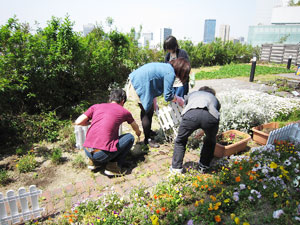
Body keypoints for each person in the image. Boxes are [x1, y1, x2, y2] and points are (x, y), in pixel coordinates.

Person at [74, 89, 141, 176]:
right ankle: (113, 167)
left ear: (110, 99)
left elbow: (78, 122)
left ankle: (93, 162)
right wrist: (138, 132)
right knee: (130, 137)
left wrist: (91, 122)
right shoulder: (124, 111)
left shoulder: (96, 106)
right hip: (101, 154)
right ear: (123, 101)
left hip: (87, 151)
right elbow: (135, 126)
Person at [127, 57, 191, 148]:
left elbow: (154, 82)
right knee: (147, 112)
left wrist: (154, 101)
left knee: (149, 109)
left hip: (140, 80)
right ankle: (147, 139)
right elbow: (168, 96)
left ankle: (148, 132)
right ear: (181, 71)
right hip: (139, 83)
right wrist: (178, 99)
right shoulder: (170, 73)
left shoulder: (168, 67)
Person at [170, 86, 221, 174]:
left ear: (200, 91)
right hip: (210, 118)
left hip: (191, 114)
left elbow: (186, 105)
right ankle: (203, 166)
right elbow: (214, 112)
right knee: (210, 141)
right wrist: (206, 131)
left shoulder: (193, 94)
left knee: (181, 140)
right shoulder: (214, 99)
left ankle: (176, 169)